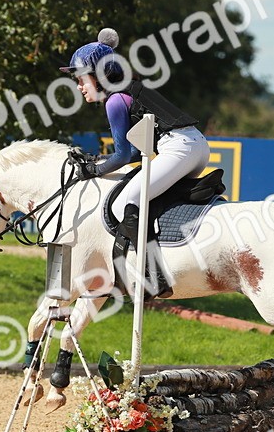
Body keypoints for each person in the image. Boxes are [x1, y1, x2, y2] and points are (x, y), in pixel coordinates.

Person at [60, 28, 211, 298]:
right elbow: (129, 154)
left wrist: (92, 170)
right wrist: (99, 164)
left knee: (127, 200)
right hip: (196, 146)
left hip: (179, 148)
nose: (79, 87)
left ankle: (155, 278)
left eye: (81, 79)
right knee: (147, 197)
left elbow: (122, 155)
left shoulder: (115, 100)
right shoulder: (127, 90)